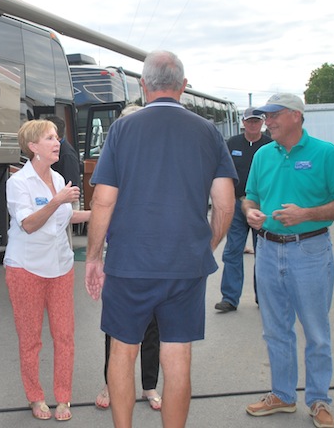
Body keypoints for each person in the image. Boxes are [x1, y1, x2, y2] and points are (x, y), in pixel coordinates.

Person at [84, 50, 237, 428]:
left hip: (130, 264)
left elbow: (103, 200)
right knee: (177, 356)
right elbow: (225, 204)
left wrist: (92, 256)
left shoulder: (123, 129)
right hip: (185, 264)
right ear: (183, 87)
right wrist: (208, 245)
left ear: (143, 85)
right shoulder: (208, 132)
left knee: (123, 350)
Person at [242, 93, 334, 428]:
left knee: (316, 331)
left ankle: (319, 399)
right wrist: (251, 213)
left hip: (309, 250)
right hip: (266, 249)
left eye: (274, 116)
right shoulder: (263, 154)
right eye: (265, 117)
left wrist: (307, 214)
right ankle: (283, 395)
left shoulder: (325, 153)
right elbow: (249, 198)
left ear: (295, 115)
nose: (268, 123)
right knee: (275, 329)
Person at [4, 119, 91, 422]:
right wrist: (57, 201)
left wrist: (100, 213)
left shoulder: (57, 179)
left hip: (61, 267)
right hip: (26, 269)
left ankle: (63, 397)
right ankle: (36, 397)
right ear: (32, 147)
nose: (57, 143)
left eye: (57, 137)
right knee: (30, 338)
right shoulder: (18, 183)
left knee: (65, 335)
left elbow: (65, 217)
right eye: (50, 138)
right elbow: (28, 224)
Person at [95, 105, 162, 413]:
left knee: (152, 326)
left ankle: (149, 385)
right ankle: (111, 383)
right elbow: (101, 206)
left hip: (156, 254)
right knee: (117, 326)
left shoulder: (158, 162)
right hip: (120, 253)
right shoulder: (114, 161)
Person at [215, 107, 272, 312]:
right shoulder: (232, 144)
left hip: (262, 206)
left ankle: (264, 297)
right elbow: (222, 171)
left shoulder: (271, 146)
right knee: (232, 251)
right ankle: (230, 298)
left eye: (257, 121)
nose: (253, 124)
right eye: (250, 121)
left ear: (262, 123)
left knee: (263, 252)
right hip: (237, 204)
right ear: (243, 122)